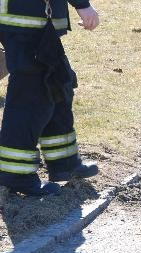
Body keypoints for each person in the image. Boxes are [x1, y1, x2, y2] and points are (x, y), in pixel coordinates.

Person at [0, 0, 100, 196]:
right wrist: (82, 5)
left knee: (58, 83)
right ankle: (15, 174)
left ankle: (64, 161)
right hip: (23, 17)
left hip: (31, 17)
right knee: (31, 97)